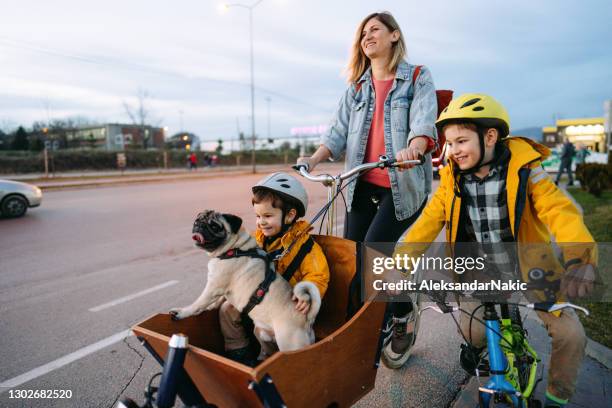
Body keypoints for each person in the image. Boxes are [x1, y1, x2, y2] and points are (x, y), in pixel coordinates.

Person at [399, 93, 596, 408]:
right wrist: (401, 261)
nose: (453, 151)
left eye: (461, 141)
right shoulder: (453, 178)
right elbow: (429, 220)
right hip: (478, 272)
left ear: (490, 137)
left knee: (571, 336)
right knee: (473, 336)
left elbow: (560, 212)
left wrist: (580, 260)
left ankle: (557, 399)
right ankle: (487, 347)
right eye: (449, 143)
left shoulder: (526, 170)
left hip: (532, 269)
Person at [296, 11, 438, 368]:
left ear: (393, 36)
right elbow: (336, 133)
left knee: (375, 260)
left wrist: (414, 149)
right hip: (360, 185)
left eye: (374, 30)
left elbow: (423, 121)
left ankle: (394, 321)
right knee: (352, 265)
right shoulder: (357, 87)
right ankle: (385, 315)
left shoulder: (417, 78)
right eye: (362, 33)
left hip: (401, 187)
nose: (367, 37)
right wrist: (313, 160)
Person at [218, 172, 330, 365]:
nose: (261, 222)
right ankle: (240, 354)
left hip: (289, 307)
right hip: (262, 300)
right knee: (226, 310)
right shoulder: (258, 240)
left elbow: (318, 276)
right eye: (258, 216)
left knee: (265, 330)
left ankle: (271, 362)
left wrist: (307, 294)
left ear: (290, 215)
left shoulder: (305, 247)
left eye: (268, 216)